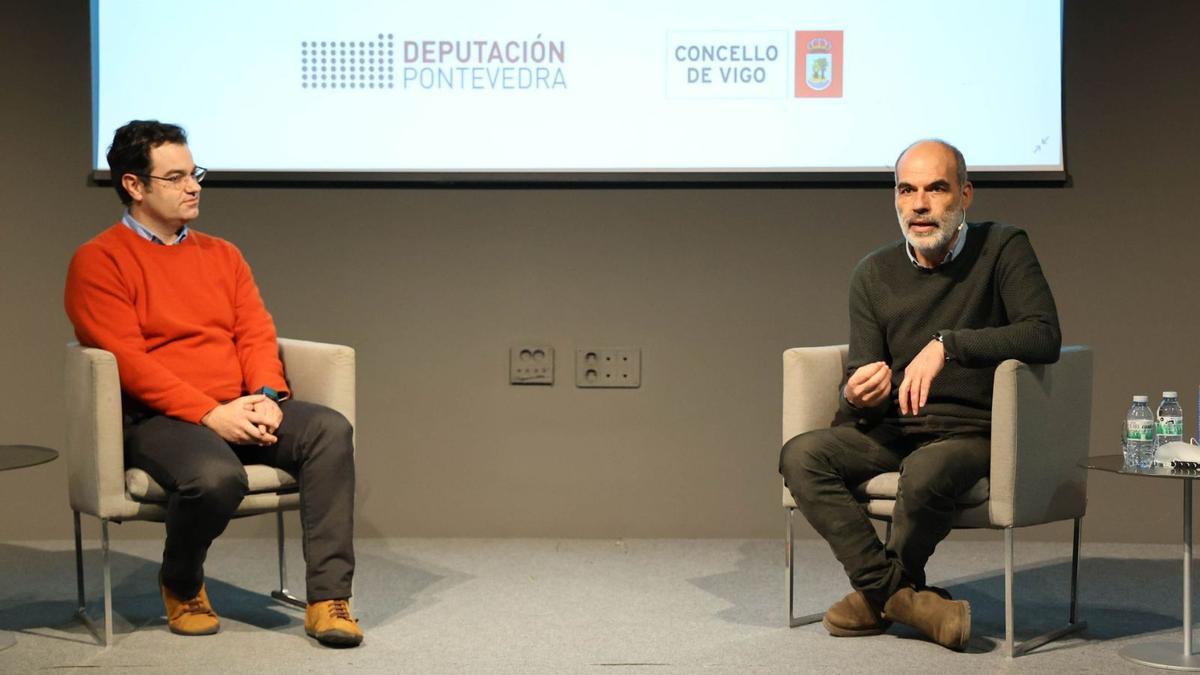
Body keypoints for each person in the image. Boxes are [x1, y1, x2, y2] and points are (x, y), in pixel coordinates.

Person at [64, 120, 363, 647]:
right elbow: (129, 362)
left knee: (329, 430)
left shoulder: (222, 254)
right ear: (135, 185)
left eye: (194, 173)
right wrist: (208, 412)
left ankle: (328, 599)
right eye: (176, 177)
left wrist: (268, 397)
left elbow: (254, 332)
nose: (194, 186)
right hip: (159, 418)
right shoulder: (99, 260)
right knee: (218, 477)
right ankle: (181, 579)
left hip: (239, 403)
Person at [778, 139, 1060, 650]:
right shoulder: (873, 273)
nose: (920, 204)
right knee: (801, 455)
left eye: (936, 189)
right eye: (907, 190)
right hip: (892, 429)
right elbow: (864, 372)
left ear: (965, 195)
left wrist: (947, 345)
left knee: (927, 470)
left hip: (970, 432)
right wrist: (861, 393)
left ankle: (876, 596)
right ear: (896, 198)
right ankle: (902, 597)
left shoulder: (1002, 248)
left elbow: (1043, 334)